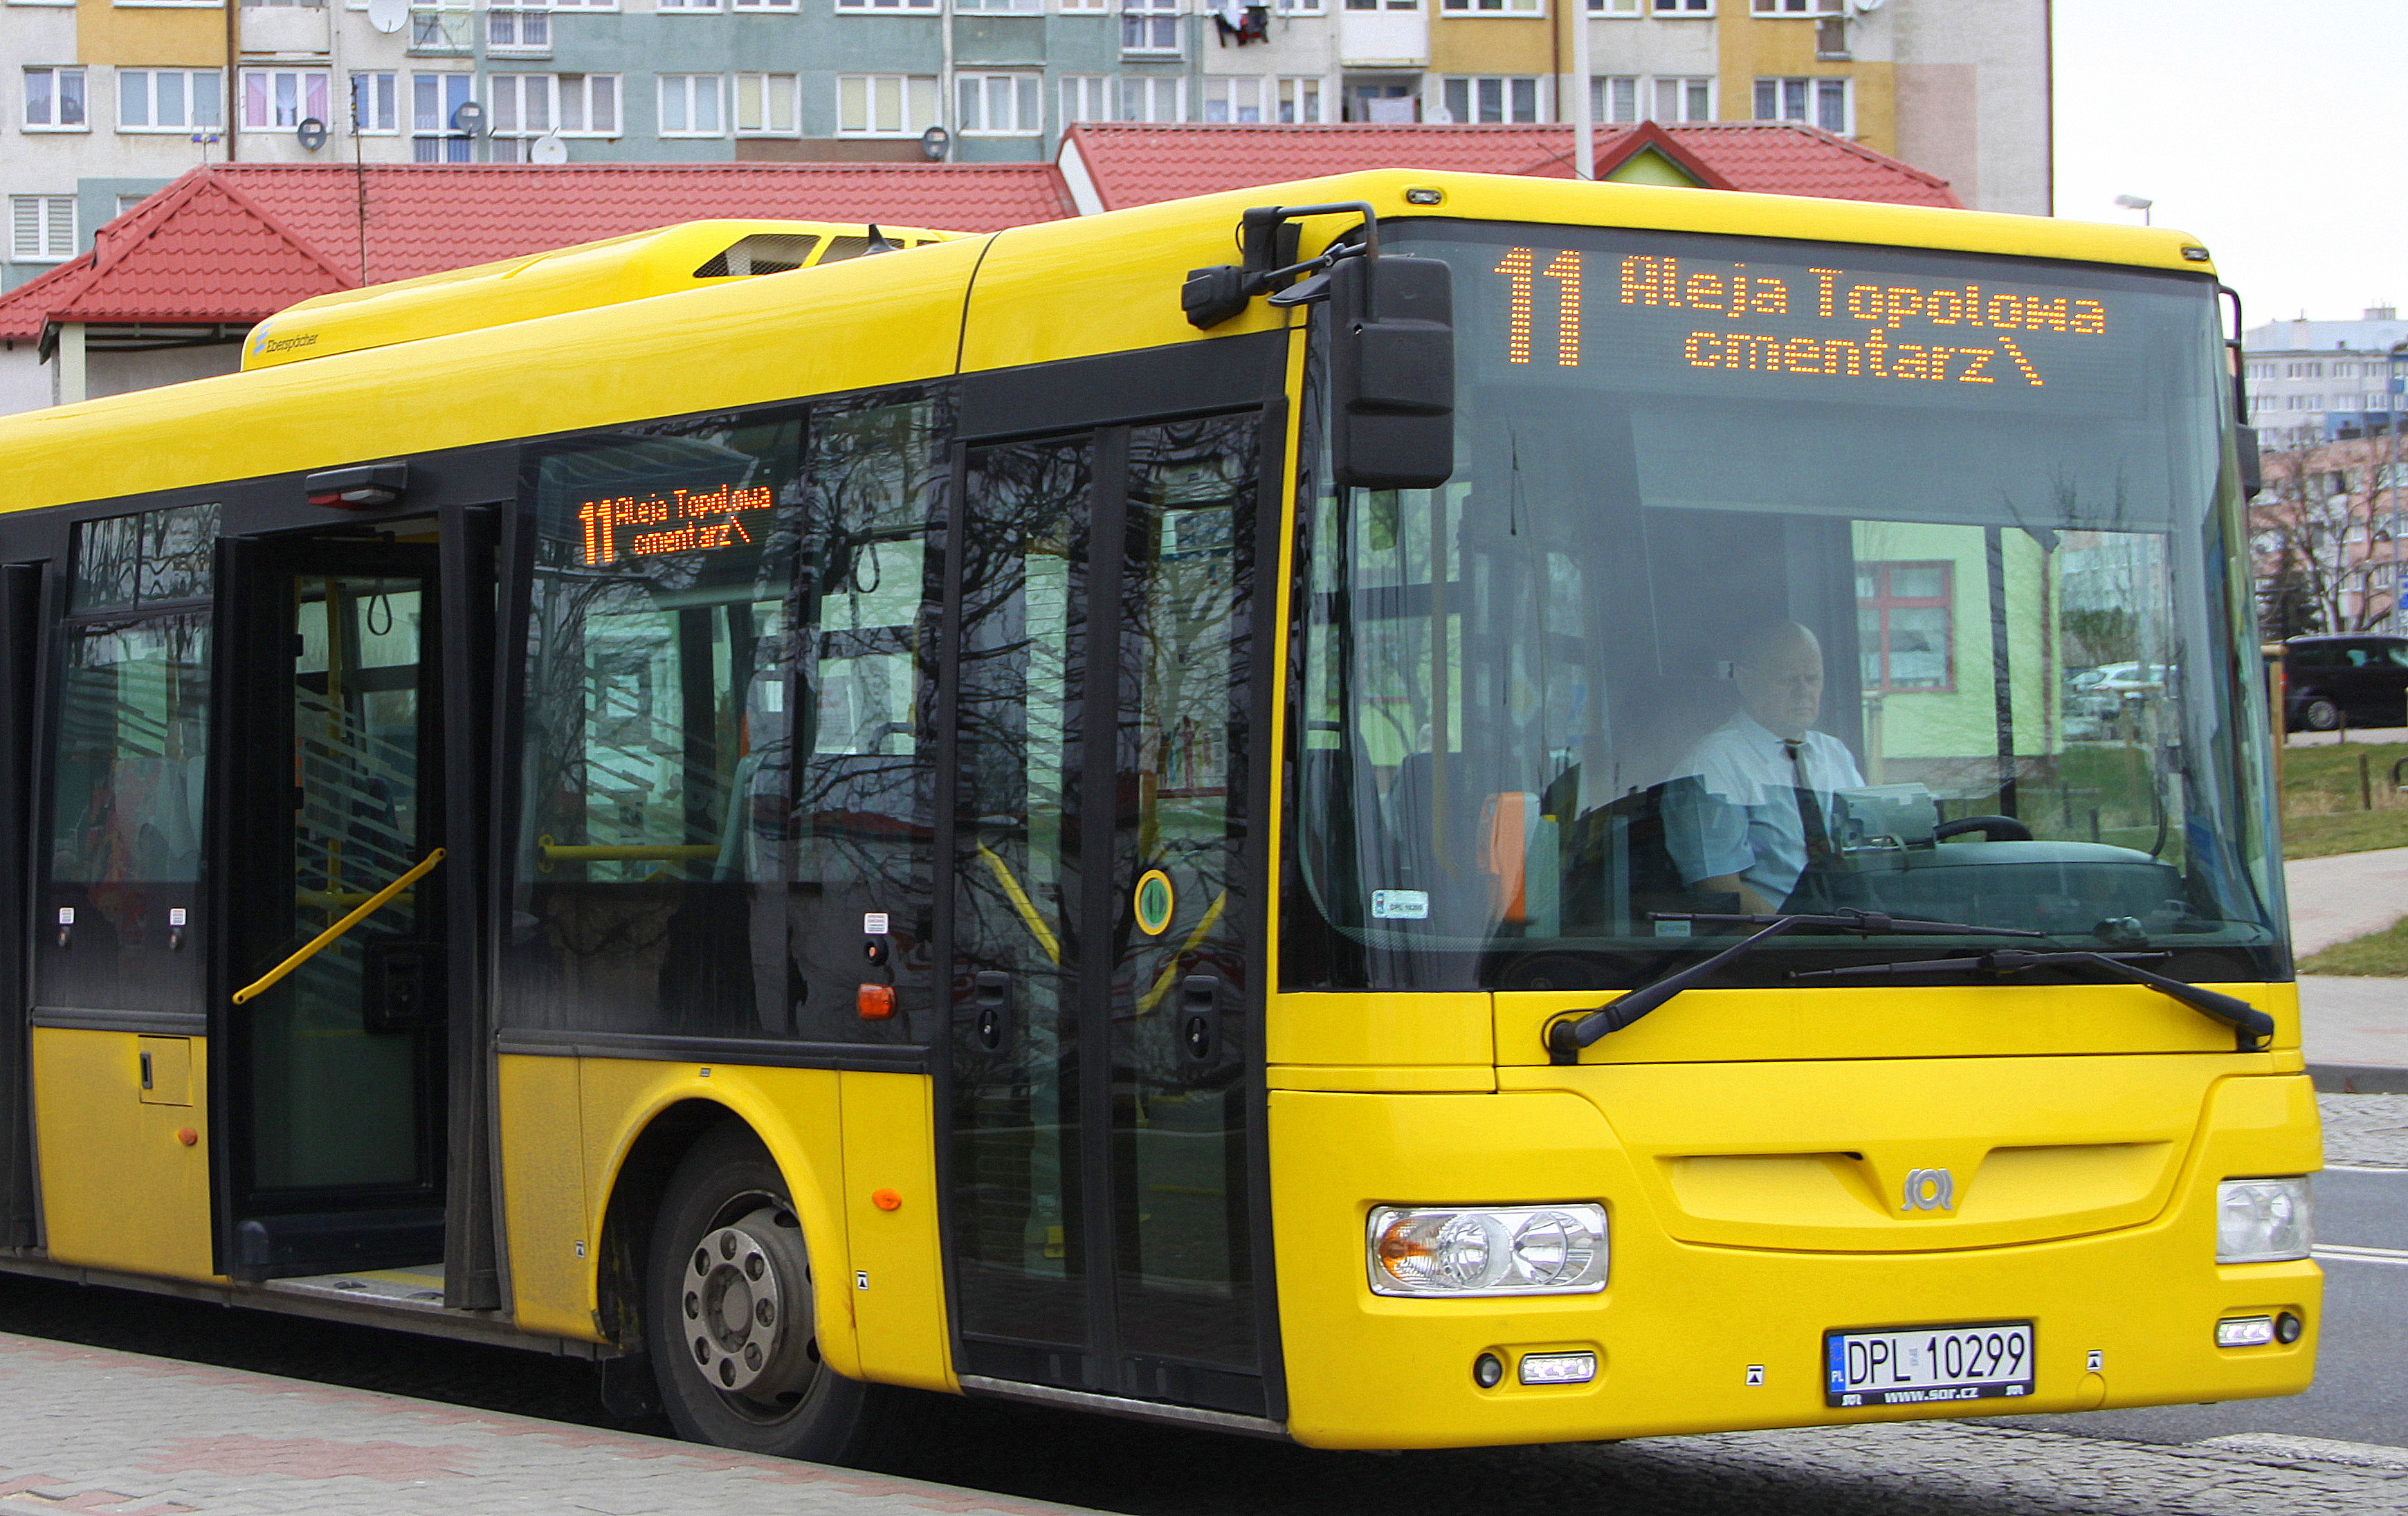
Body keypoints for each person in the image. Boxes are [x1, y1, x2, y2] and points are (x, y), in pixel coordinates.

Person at [1663, 620, 1864, 915]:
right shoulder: (1712, 765)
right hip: (1773, 948)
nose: (1804, 692)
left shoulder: (1835, 754)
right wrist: (1800, 940)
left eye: (1813, 679)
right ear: (1745, 682)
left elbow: (1870, 850)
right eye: (1788, 680)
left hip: (1857, 931)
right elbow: (1718, 889)